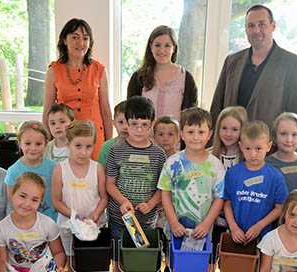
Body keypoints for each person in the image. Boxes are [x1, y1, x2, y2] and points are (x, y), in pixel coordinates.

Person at [210, 4, 297, 131]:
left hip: (269, 147)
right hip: (231, 144)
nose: (256, 30)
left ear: (273, 26)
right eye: (251, 25)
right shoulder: (232, 61)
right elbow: (217, 105)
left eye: (262, 24)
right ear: (246, 29)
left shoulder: (294, 65)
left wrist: (288, 148)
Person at [43, 18, 112, 160]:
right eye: (75, 37)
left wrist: (109, 144)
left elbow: (105, 110)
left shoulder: (99, 70)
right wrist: (49, 141)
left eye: (85, 38)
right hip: (65, 137)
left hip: (94, 137)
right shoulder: (53, 70)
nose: (81, 43)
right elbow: (48, 111)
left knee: (95, 179)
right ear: (64, 40)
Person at [158, 107, 224, 241]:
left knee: (200, 262)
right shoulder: (172, 163)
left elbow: (219, 198)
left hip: (203, 232)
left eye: (201, 132)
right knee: (174, 261)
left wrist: (206, 224)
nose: (196, 137)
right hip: (176, 230)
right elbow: (165, 193)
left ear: (209, 134)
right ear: (182, 134)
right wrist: (174, 222)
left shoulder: (216, 165)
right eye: (190, 132)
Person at [105, 96, 166, 241]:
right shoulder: (116, 150)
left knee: (141, 258)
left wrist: (150, 204)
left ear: (152, 124)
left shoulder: (159, 154)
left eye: (144, 124)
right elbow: (109, 183)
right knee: (119, 255)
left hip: (147, 220)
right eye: (134, 124)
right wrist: (123, 201)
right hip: (118, 218)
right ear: (126, 123)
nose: (139, 130)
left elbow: (163, 187)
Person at [223, 121, 287, 245]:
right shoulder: (233, 173)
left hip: (264, 238)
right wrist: (234, 227)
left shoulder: (275, 176)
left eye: (258, 148)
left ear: (268, 146)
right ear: (241, 146)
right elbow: (227, 203)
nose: (253, 154)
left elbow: (280, 207)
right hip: (235, 235)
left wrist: (259, 226)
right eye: (248, 148)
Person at [51, 120, 108, 255]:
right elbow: (56, 201)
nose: (83, 152)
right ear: (68, 144)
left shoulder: (98, 169)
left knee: (92, 260)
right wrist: (74, 216)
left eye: (88, 147)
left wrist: (95, 215)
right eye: (78, 146)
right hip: (67, 226)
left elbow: (104, 198)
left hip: (94, 226)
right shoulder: (60, 169)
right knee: (71, 262)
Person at [127, 25, 198, 122]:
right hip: (144, 136)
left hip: (175, 136)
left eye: (167, 45)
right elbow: (130, 113)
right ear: (150, 47)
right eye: (157, 45)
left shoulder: (186, 78)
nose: (162, 50)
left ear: (174, 48)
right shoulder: (138, 77)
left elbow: (191, 116)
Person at [5, 121, 57, 221]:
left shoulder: (54, 167)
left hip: (51, 220)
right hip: (26, 222)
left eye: (38, 144)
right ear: (20, 143)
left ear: (46, 144)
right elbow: (13, 202)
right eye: (28, 143)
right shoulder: (13, 171)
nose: (33, 148)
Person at [211, 106, 248, 246]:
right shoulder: (209, 155)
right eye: (224, 128)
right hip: (213, 219)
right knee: (211, 258)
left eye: (234, 129)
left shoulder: (247, 158)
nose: (228, 133)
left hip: (238, 220)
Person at [266, 112, 297, 192]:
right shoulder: (266, 163)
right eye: (283, 134)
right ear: (275, 135)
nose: (289, 140)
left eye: (294, 135)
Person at [98, 100, 128, 166]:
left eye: (129, 123)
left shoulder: (140, 147)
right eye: (121, 122)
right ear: (114, 123)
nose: (125, 127)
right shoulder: (107, 147)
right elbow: (101, 170)